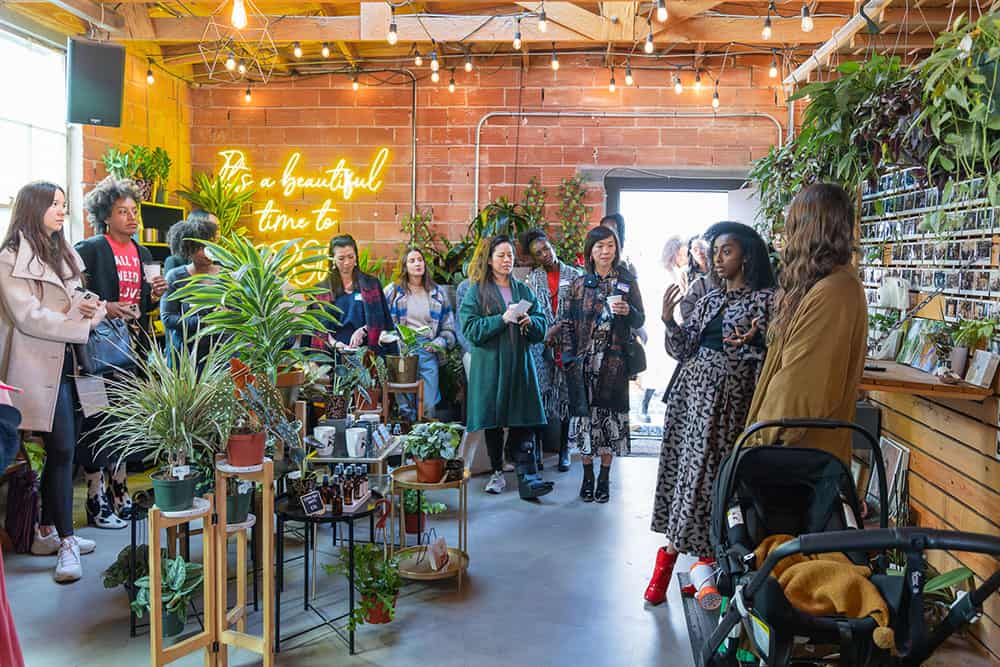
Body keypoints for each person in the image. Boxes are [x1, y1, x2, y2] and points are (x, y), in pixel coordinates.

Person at [644, 221, 775, 605]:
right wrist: (667, 320)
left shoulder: (767, 301)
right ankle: (684, 567)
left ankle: (699, 566)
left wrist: (756, 341)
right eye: (715, 251)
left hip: (728, 407)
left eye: (727, 251)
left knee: (714, 484)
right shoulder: (708, 299)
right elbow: (682, 350)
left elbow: (772, 354)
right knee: (684, 479)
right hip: (690, 403)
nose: (718, 259)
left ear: (747, 256)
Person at [0, 181, 104, 582]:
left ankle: (46, 531)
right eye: (54, 204)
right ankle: (67, 542)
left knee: (67, 450)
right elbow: (29, 317)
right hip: (40, 365)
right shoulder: (11, 258)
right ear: (33, 207)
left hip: (74, 363)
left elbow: (73, 298)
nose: (62, 211)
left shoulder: (63, 250)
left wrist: (91, 307)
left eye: (64, 204)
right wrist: (80, 323)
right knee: (60, 448)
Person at [744, 184, 867, 466]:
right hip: (799, 455)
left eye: (793, 223)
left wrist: (757, 442)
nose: (787, 235)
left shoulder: (834, 290)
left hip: (799, 461)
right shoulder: (827, 285)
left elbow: (799, 390)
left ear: (807, 229)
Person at [76, 176, 169, 529]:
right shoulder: (90, 249)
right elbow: (73, 295)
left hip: (130, 351)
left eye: (134, 211)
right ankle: (95, 498)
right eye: (122, 211)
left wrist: (155, 295)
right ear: (105, 215)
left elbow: (144, 304)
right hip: (93, 352)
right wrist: (106, 306)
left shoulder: (142, 253)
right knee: (95, 420)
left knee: (124, 422)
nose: (132, 218)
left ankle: (120, 491)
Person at [460, 235, 553, 500]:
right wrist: (501, 319)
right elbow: (470, 329)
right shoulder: (476, 291)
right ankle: (497, 472)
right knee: (493, 421)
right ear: (489, 260)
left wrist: (530, 323)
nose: (506, 260)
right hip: (489, 366)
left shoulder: (522, 290)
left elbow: (541, 323)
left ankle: (526, 477)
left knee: (522, 417)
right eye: (500, 255)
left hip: (519, 364)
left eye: (510, 255)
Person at [561, 226, 644, 503]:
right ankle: (587, 476)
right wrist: (569, 358)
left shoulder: (627, 280)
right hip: (584, 363)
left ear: (616, 248)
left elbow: (640, 318)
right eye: (599, 246)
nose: (605, 251)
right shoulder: (578, 284)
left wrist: (629, 311)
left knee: (609, 420)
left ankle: (605, 478)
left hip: (615, 361)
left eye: (610, 245)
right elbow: (567, 323)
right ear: (590, 251)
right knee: (585, 420)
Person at [521, 228, 580, 472]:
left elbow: (580, 310)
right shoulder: (532, 279)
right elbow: (529, 310)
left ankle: (564, 449)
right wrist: (545, 332)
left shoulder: (574, 275)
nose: (544, 254)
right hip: (540, 344)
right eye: (538, 253)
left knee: (566, 396)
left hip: (568, 341)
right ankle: (537, 450)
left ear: (552, 246)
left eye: (546, 248)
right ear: (534, 258)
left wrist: (560, 330)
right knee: (541, 394)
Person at [384, 246, 456, 419]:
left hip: (427, 349)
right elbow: (380, 322)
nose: (417, 264)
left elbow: (449, 327)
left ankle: (426, 431)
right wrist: (392, 340)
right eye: (412, 260)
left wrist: (439, 342)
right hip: (402, 351)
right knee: (405, 406)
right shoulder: (392, 292)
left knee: (428, 405)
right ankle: (408, 433)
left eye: (420, 260)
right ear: (404, 266)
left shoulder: (438, 293)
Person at [315, 234, 392, 354]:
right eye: (341, 258)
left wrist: (364, 330)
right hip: (333, 355)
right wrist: (334, 343)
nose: (347, 262)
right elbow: (318, 328)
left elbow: (382, 320)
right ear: (332, 259)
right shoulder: (322, 290)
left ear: (356, 257)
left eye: (350, 257)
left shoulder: (371, 284)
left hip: (368, 354)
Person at [161, 215, 220, 363]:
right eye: (200, 248)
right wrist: (205, 322)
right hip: (186, 358)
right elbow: (168, 318)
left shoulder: (227, 275)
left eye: (209, 245)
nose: (207, 252)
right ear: (188, 250)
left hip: (220, 357)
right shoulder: (176, 277)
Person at [163, 210, 218, 275]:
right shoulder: (174, 263)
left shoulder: (221, 260)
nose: (216, 233)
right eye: (212, 227)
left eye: (218, 228)